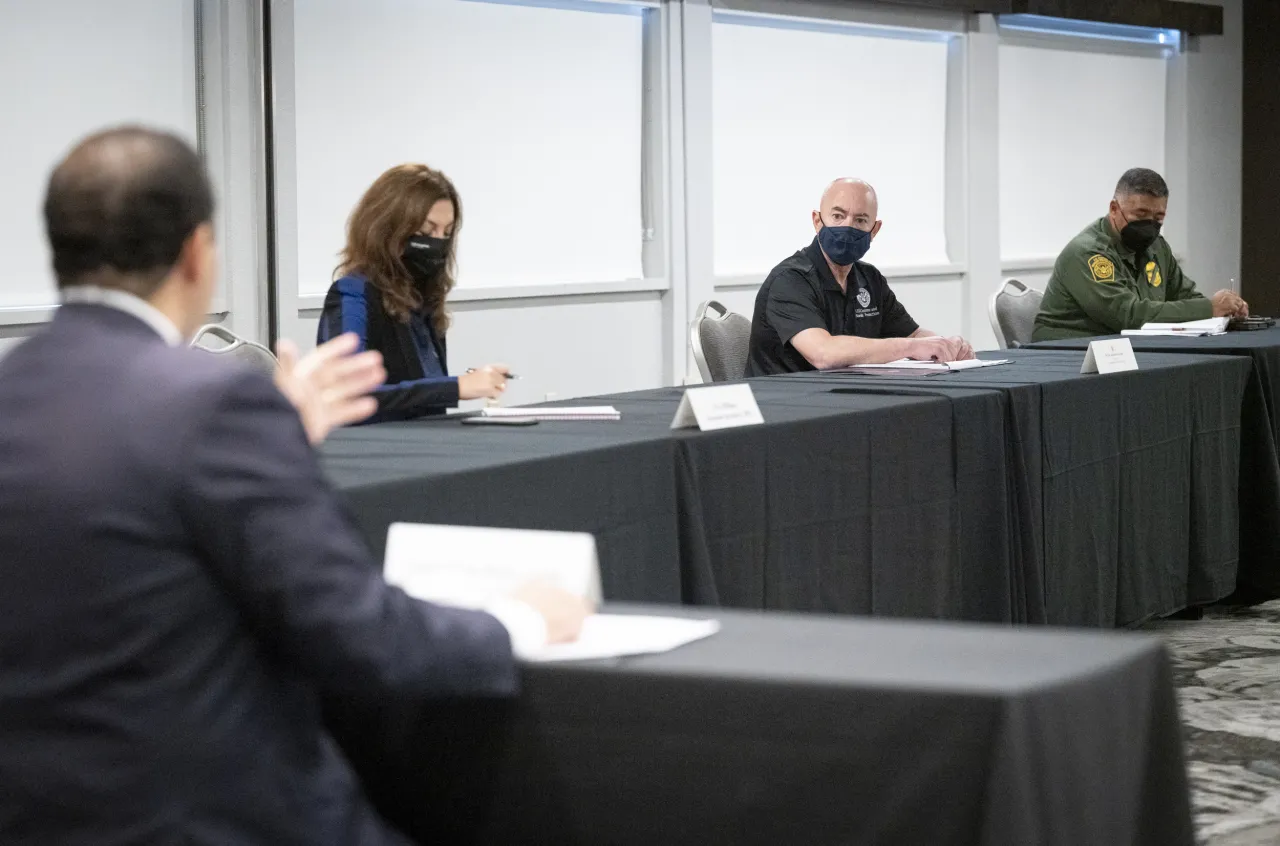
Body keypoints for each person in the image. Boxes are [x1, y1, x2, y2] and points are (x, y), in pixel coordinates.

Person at [0, 126, 590, 845]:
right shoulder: (213, 404)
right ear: (197, 253)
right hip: (206, 814)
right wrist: (517, 621)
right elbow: (360, 635)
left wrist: (281, 434)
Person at [317, 164, 508, 421]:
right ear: (388, 228)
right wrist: (457, 387)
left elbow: (425, 394)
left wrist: (469, 382)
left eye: (447, 233)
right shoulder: (352, 293)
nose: (438, 242)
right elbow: (349, 394)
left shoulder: (424, 297)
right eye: (426, 232)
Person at [745, 178, 974, 376]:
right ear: (817, 221)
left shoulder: (869, 279)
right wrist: (911, 347)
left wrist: (947, 346)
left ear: (874, 230)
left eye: (860, 220)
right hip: (787, 408)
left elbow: (913, 334)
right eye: (837, 216)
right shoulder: (790, 280)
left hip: (844, 401)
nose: (848, 227)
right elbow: (823, 353)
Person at [1032, 168, 1248, 341]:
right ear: (1114, 209)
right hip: (1066, 353)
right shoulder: (1088, 253)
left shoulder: (1157, 248)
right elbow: (1128, 316)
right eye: (1141, 214)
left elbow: (1185, 295)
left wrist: (1224, 312)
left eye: (1158, 217)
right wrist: (1208, 307)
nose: (1150, 225)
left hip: (1123, 350)